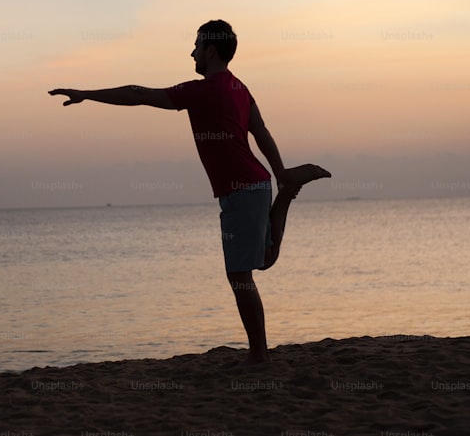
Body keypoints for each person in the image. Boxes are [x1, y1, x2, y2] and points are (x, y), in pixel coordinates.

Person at [48, 19, 331, 364]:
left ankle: (259, 356)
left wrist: (87, 94)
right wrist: (280, 173)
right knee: (262, 261)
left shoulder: (203, 91)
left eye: (196, 46)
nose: (192, 52)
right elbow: (261, 131)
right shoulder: (239, 87)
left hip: (243, 188)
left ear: (211, 51)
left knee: (240, 276)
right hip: (254, 184)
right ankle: (286, 191)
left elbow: (140, 95)